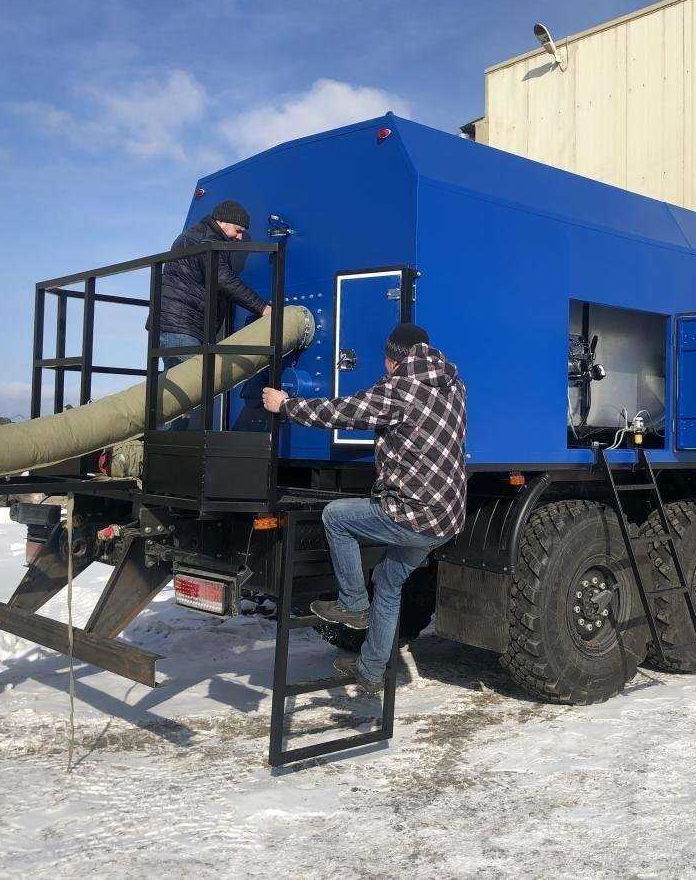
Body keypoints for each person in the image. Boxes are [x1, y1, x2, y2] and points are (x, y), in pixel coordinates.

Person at [261, 323, 467, 694]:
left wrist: (286, 406)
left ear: (391, 361)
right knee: (388, 582)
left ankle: (353, 605)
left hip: (415, 511)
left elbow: (344, 412)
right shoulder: (453, 384)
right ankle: (371, 671)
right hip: (448, 515)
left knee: (336, 517)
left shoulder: (400, 389)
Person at [158, 200, 271, 429]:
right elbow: (224, 280)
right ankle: (172, 450)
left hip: (177, 326)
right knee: (192, 391)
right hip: (182, 327)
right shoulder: (204, 242)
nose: (240, 238)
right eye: (238, 231)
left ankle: (167, 449)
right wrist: (263, 308)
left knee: (177, 395)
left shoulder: (197, 236)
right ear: (223, 221)